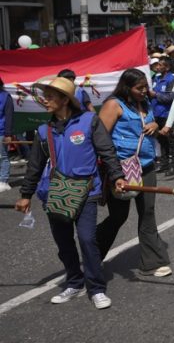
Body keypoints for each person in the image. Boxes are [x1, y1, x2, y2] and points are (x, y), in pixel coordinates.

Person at [15, 77, 122, 309]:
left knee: (87, 239)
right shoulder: (44, 130)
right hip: (56, 194)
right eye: (46, 95)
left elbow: (107, 150)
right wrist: (25, 194)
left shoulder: (89, 121)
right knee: (63, 242)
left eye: (51, 96)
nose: (46, 100)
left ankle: (96, 288)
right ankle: (74, 282)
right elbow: (35, 165)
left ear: (65, 100)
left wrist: (117, 177)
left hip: (87, 191)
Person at [95, 69, 172, 277]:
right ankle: (92, 253)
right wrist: (114, 173)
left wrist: (156, 124)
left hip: (145, 166)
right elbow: (100, 138)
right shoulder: (113, 105)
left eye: (145, 87)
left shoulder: (145, 104)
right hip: (121, 169)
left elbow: (152, 125)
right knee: (118, 216)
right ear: (126, 87)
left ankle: (152, 262)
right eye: (139, 88)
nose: (144, 91)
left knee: (147, 212)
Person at [149, 56, 174, 176]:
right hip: (155, 114)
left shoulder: (173, 80)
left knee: (171, 140)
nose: (157, 67)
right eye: (157, 64)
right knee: (161, 140)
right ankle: (164, 163)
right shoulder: (155, 78)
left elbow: (171, 98)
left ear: (166, 67)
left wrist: (155, 94)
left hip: (167, 115)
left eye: (160, 65)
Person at [0, 75, 13, 192]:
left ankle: (4, 181)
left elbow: (9, 116)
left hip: (1, 131)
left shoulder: (6, 96)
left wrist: (8, 134)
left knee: (3, 156)